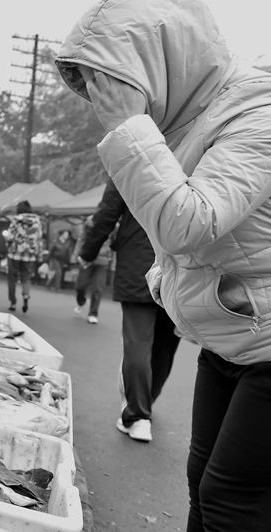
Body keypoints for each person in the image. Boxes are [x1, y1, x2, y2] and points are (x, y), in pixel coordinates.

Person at [57, 0, 271, 529]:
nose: (103, 104)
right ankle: (138, 409)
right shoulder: (182, 124)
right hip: (232, 336)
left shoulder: (259, 112)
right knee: (202, 486)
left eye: (109, 85)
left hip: (264, 342)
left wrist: (128, 125)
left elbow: (188, 223)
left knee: (229, 498)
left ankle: (137, 409)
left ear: (159, 64)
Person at [78, 180, 180, 443]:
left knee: (137, 342)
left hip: (139, 260)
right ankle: (146, 403)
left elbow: (107, 213)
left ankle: (138, 415)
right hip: (181, 263)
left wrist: (88, 251)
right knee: (166, 344)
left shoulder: (132, 159)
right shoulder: (200, 156)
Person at [72, 215, 113, 324]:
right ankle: (81, 301)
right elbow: (81, 239)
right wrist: (75, 255)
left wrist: (112, 259)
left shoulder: (113, 223)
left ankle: (93, 314)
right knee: (80, 286)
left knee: (98, 288)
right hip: (87, 258)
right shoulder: (90, 221)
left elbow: (115, 243)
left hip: (103, 260)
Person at [3, 200, 43, 313]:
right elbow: (39, 239)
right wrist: (39, 253)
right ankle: (25, 295)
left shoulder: (16, 220)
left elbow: (10, 236)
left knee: (12, 278)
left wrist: (8, 244)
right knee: (26, 277)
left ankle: (13, 302)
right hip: (29, 255)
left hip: (14, 253)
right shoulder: (37, 221)